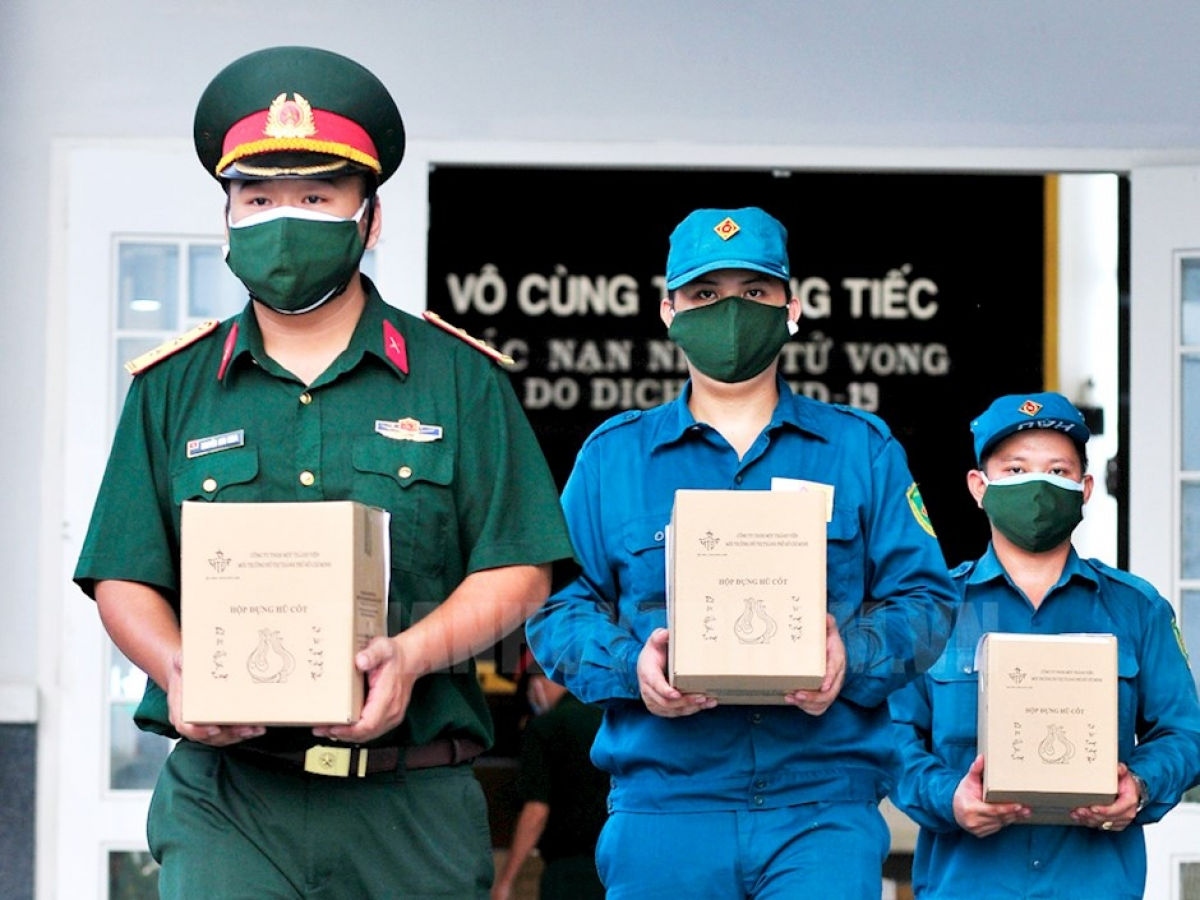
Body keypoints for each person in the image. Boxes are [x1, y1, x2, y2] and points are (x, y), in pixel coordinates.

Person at [72, 46, 575, 900]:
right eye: (258, 198)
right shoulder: (172, 389)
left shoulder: (460, 380)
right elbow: (123, 572)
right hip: (232, 802)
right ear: (226, 215)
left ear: (369, 218)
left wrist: (414, 655)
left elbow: (519, 567)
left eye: (316, 197)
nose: (284, 218)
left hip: (410, 801)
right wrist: (176, 666)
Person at [525, 206, 961, 899]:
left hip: (822, 807)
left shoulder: (861, 449)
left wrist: (853, 654)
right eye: (704, 295)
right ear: (667, 309)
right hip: (666, 806)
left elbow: (928, 600)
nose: (730, 312)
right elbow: (554, 606)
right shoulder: (613, 457)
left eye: (754, 293)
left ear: (793, 307)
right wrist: (632, 665)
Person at [888, 391, 1200, 899]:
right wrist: (949, 798)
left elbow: (1185, 732)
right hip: (966, 886)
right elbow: (891, 737)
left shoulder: (1137, 609)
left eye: (1058, 470)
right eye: (1015, 469)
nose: (1037, 485)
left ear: (1085, 488)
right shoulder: (934, 611)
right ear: (978, 487)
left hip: (1095, 885)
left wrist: (1139, 786)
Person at [491, 657, 607, 900]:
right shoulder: (610, 719)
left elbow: (536, 811)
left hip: (568, 875)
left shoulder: (545, 727)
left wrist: (506, 880)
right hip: (617, 866)